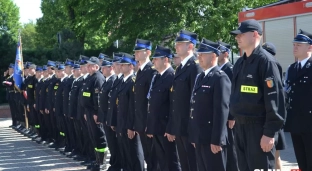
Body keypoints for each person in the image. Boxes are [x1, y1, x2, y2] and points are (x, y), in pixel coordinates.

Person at [229, 19, 285, 170]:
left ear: (254, 35)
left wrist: (269, 133)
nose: (237, 37)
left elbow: (275, 100)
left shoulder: (266, 62)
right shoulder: (240, 63)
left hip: (258, 129)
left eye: (241, 34)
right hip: (240, 128)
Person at [188, 39, 230, 171]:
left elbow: (221, 111)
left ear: (213, 56)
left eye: (202, 54)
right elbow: (194, 108)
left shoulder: (220, 78)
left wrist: (217, 139)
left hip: (212, 138)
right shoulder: (200, 77)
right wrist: (194, 135)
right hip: (200, 137)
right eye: (198, 54)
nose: (198, 57)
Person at [165, 30, 201, 171]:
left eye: (180, 44)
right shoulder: (180, 67)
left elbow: (195, 100)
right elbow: (175, 101)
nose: (176, 47)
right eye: (176, 44)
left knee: (193, 164)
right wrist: (172, 125)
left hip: (189, 126)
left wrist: (194, 129)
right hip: (179, 125)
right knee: (184, 163)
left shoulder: (195, 66)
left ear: (190, 46)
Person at [146, 45, 181, 171]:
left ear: (165, 60)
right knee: (162, 161)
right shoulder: (157, 77)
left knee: (172, 162)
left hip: (166, 128)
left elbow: (174, 105)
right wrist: (150, 125)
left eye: (156, 58)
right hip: (157, 126)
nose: (153, 61)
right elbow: (152, 104)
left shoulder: (172, 76)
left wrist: (171, 128)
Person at [284, 29, 312, 171]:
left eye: (299, 45)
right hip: (296, 122)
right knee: (301, 161)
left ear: (310, 47)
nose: (295, 47)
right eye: (294, 44)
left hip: (310, 123)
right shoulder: (292, 68)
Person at [132, 39, 158, 171]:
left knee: (154, 157)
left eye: (138, 51)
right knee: (148, 155)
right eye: (135, 51)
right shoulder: (140, 71)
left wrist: (149, 123)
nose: (135, 53)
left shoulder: (151, 71)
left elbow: (151, 100)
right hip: (141, 121)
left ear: (148, 52)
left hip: (148, 122)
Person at [116, 53, 144, 171]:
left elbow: (133, 107)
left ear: (131, 66)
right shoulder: (123, 81)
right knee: (126, 151)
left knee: (134, 152)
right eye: (121, 65)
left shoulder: (132, 82)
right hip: (122, 122)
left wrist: (131, 126)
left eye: (124, 65)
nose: (121, 67)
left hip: (129, 124)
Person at [262, 42, 287, 170]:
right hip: (274, 117)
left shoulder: (272, 64)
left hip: (274, 117)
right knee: (276, 155)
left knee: (275, 155)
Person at [81, 57, 107, 170]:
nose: (88, 67)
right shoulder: (90, 78)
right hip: (89, 111)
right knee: (93, 136)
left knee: (99, 136)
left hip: (95, 112)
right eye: (87, 65)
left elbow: (98, 98)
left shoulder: (98, 78)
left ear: (96, 67)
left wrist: (97, 112)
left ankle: (102, 162)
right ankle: (97, 160)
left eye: (90, 65)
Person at [217, 41, 239, 171]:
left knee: (231, 147)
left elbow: (233, 94)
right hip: (221, 114)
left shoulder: (230, 69)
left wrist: (232, 116)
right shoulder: (219, 69)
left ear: (225, 53)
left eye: (219, 51)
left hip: (229, 116)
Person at [97, 59, 118, 170]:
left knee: (114, 144)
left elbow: (111, 103)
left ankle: (116, 164)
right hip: (106, 117)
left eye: (104, 68)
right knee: (111, 143)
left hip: (110, 117)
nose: (102, 70)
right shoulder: (107, 80)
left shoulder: (113, 80)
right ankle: (114, 163)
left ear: (111, 68)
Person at [106, 53, 124, 170]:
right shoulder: (117, 80)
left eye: (116, 65)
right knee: (116, 146)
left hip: (122, 120)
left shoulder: (122, 79)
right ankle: (117, 164)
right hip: (115, 119)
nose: (115, 67)